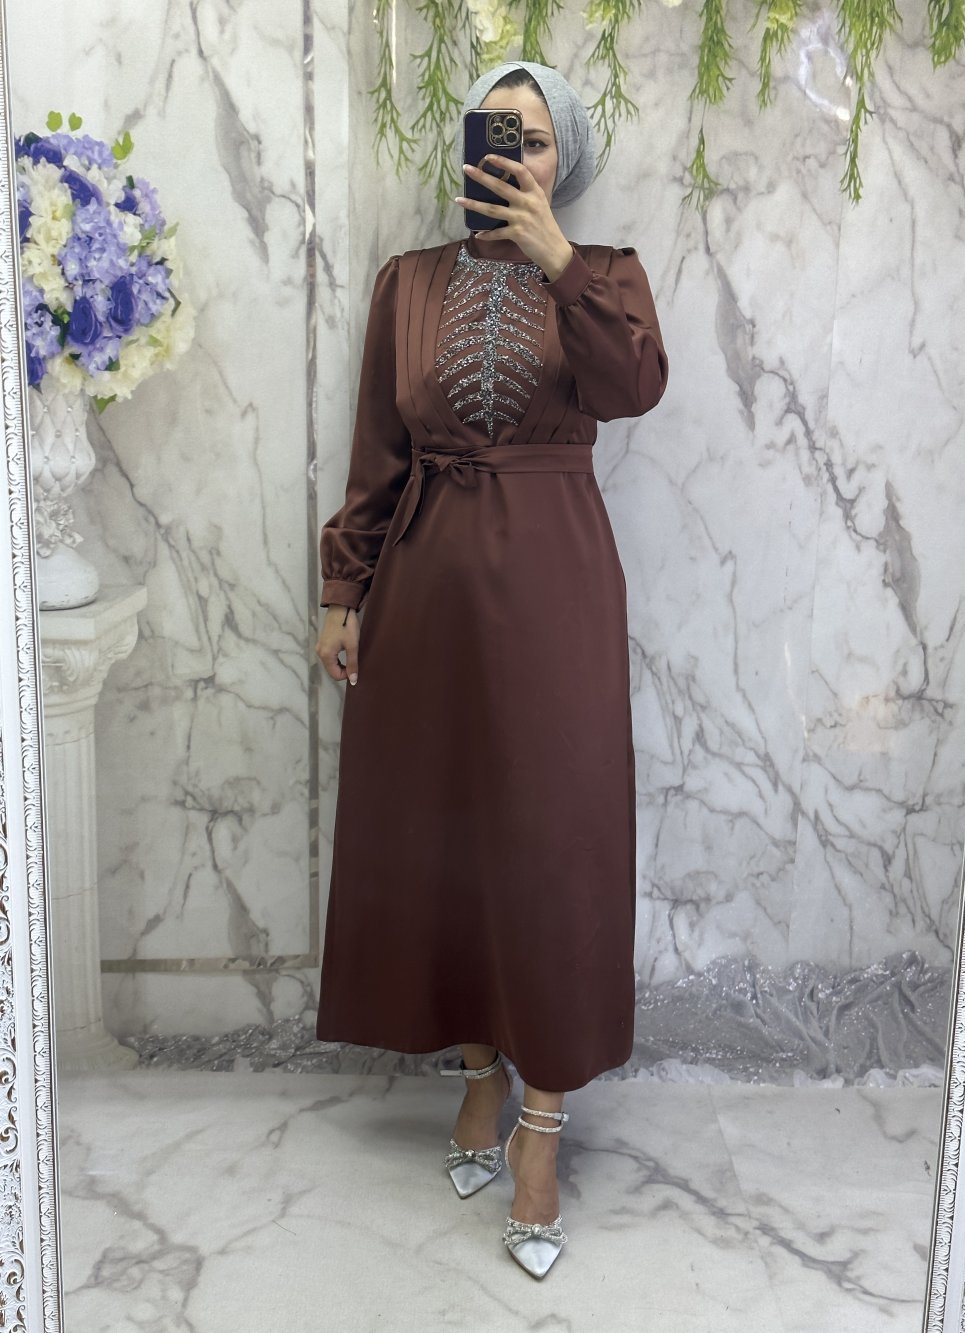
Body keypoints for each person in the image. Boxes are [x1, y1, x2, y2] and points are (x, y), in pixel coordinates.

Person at [314, 59, 668, 1279]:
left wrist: (560, 260)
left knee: (552, 844)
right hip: (424, 598)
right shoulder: (407, 283)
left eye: (533, 133)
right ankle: (476, 1076)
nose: (511, 148)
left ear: (562, 157)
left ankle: (543, 1126)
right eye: (493, 128)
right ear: (465, 146)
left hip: (556, 595)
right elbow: (376, 450)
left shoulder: (605, 275)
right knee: (443, 838)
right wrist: (343, 589)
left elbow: (635, 387)